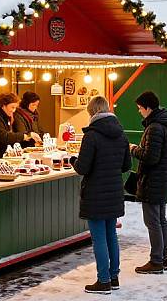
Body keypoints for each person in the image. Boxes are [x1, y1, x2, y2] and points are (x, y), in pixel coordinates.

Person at [71, 96, 131, 294]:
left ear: (92, 113)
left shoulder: (92, 135)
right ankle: (114, 277)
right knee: (111, 235)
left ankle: (103, 280)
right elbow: (126, 165)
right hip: (114, 191)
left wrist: (73, 160)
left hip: (95, 194)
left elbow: (82, 167)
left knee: (99, 239)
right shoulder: (121, 133)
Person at [130, 91, 167, 274]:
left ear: (148, 108)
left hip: (153, 180)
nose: (139, 112)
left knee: (152, 222)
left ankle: (156, 260)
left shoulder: (155, 127)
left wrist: (134, 149)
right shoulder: (166, 125)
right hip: (163, 179)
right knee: (160, 219)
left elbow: (151, 157)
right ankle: (162, 257)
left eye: (140, 108)